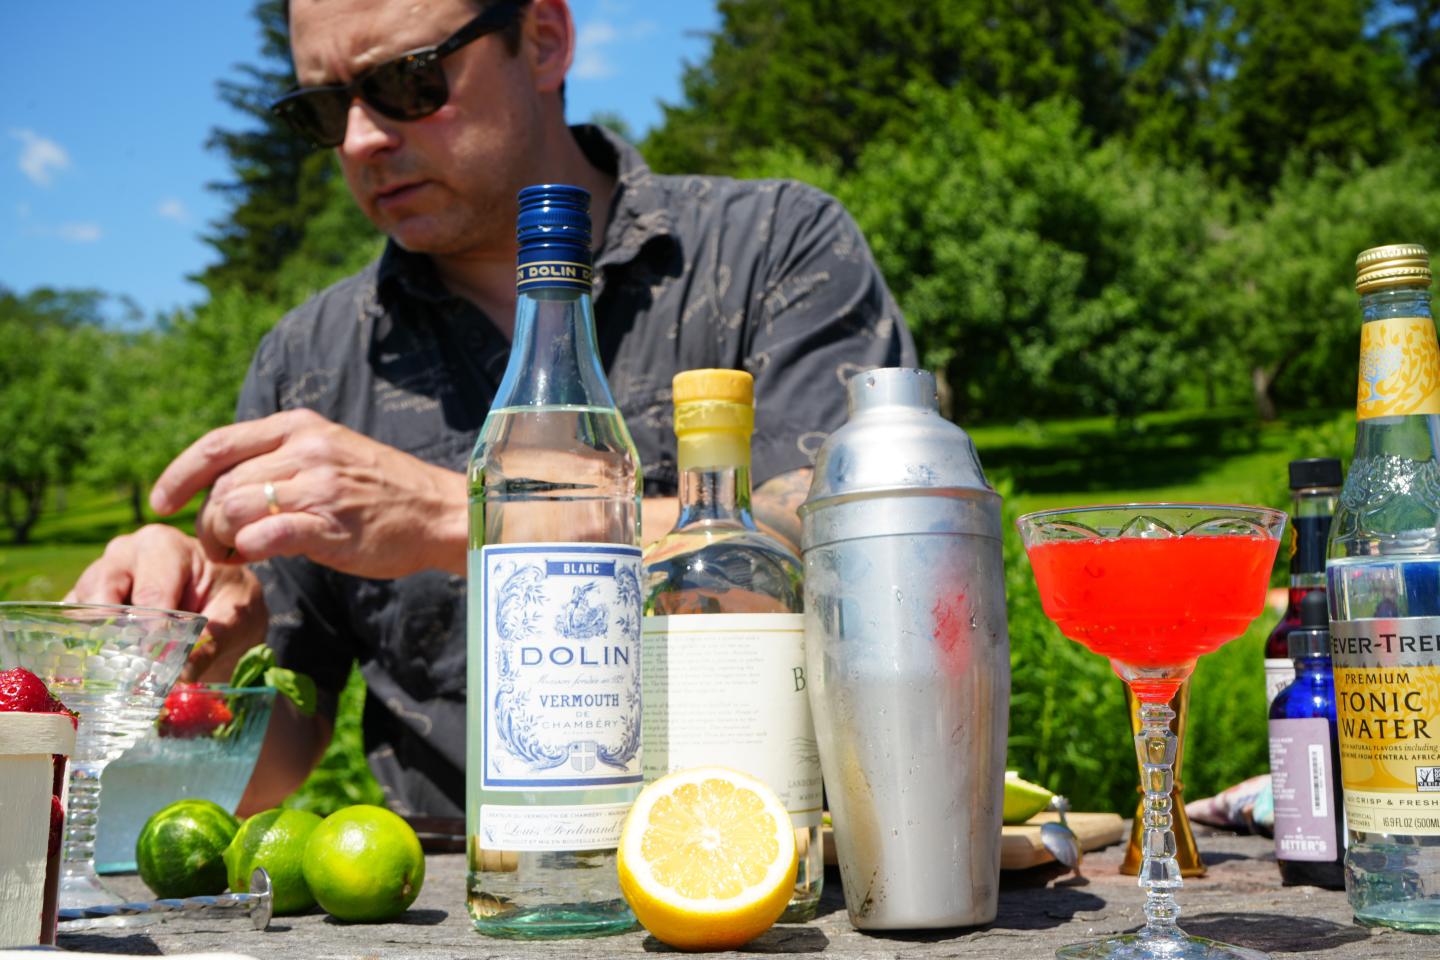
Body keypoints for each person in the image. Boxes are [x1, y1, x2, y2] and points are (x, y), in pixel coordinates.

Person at [68, 0, 915, 822]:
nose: (361, 138)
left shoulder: (774, 247)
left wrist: (451, 517)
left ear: (542, 39)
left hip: (755, 870)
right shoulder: (309, 361)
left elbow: (868, 560)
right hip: (474, 888)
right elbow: (270, 766)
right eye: (324, 108)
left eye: (407, 82)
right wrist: (201, 641)